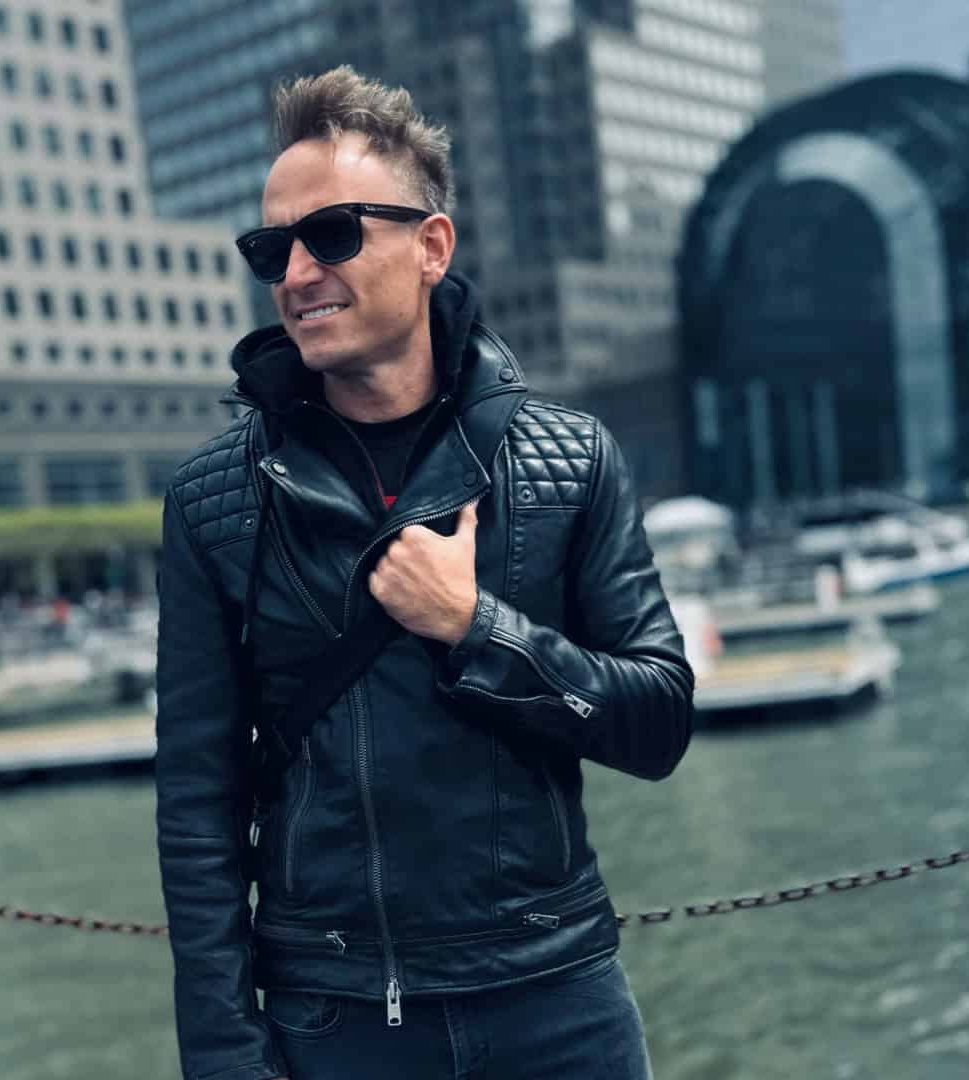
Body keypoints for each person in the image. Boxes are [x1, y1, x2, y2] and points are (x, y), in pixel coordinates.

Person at [155, 66, 694, 1080]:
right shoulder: (212, 501)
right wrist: (226, 1058)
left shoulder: (569, 460)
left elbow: (657, 723)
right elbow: (197, 805)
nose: (298, 272)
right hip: (338, 1019)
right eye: (274, 248)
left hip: (557, 1005)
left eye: (335, 235)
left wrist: (475, 627)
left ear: (431, 246)